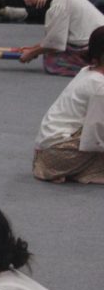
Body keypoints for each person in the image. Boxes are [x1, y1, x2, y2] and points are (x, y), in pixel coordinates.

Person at [33, 26, 104, 183]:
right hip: (59, 154)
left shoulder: (87, 70)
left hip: (47, 150)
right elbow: (95, 136)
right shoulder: (100, 86)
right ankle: (84, 170)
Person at [18, 0, 104, 76]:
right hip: (95, 43)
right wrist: (33, 48)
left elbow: (55, 41)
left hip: (95, 48)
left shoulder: (62, 0)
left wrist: (32, 52)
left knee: (51, 58)